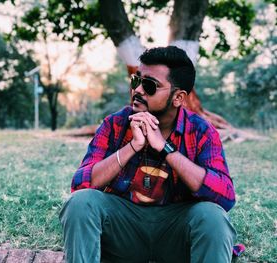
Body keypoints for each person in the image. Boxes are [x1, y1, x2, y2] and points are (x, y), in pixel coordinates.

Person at [60, 46, 237, 263]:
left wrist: (165, 148)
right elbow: (80, 185)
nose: (138, 90)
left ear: (178, 97)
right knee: (81, 203)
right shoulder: (115, 124)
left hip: (176, 234)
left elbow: (225, 197)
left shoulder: (201, 131)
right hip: (123, 233)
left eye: (150, 85)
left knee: (213, 218)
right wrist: (132, 146)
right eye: (137, 80)